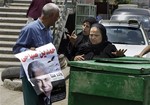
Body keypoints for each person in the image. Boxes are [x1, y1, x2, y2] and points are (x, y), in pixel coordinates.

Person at [13, 3, 60, 105]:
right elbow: (17, 49)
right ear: (51, 15)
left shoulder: (48, 31)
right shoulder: (30, 29)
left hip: (45, 74)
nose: (57, 19)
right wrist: (28, 52)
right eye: (57, 16)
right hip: (30, 76)